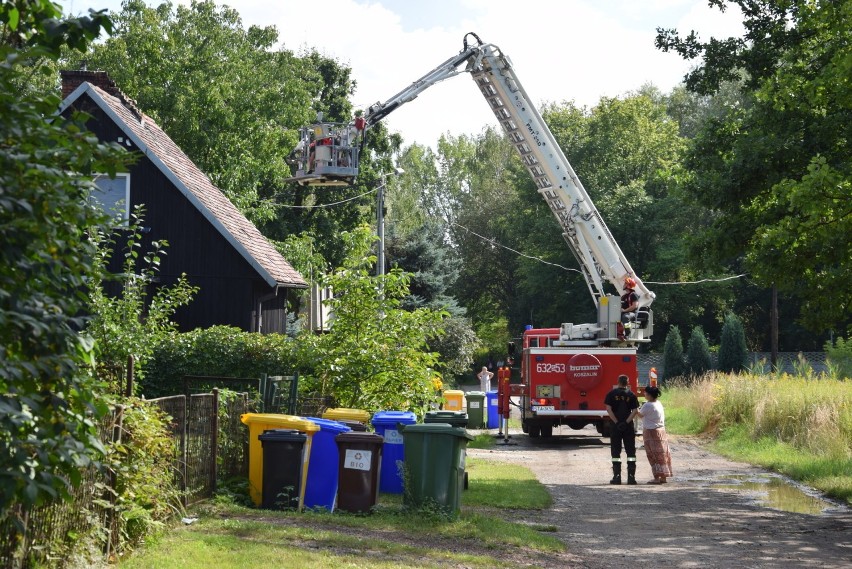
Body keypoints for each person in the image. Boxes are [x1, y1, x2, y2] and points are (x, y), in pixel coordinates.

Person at [604, 374, 640, 484]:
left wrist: (616, 422)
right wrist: (626, 422)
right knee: (630, 451)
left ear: (618, 382)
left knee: (616, 451)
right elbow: (635, 410)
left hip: (615, 426)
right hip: (628, 426)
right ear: (627, 382)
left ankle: (617, 476)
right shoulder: (631, 395)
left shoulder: (611, 394)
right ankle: (631, 477)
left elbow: (609, 409)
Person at [636, 386, 673, 484]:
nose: (644, 394)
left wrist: (634, 408)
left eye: (646, 393)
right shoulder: (658, 403)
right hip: (661, 431)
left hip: (651, 432)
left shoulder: (648, 405)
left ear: (649, 395)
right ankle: (663, 477)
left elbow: (639, 415)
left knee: (653, 455)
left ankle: (656, 477)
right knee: (662, 454)